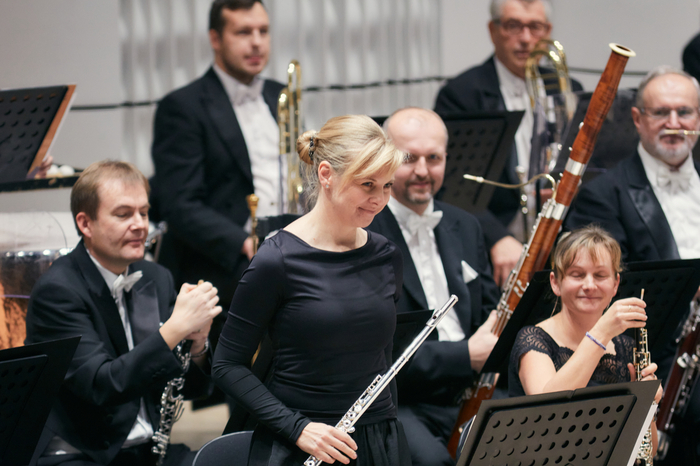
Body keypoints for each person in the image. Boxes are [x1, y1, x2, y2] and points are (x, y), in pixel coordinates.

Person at [212, 115, 411, 466]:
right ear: (326, 174)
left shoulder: (386, 255)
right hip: (300, 442)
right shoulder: (276, 260)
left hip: (377, 439)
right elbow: (227, 365)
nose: (379, 199)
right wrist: (298, 428)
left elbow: (383, 359)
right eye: (367, 184)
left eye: (387, 186)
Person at [25, 160, 222, 466]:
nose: (140, 224)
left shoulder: (155, 278)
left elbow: (192, 390)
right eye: (123, 214)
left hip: (147, 450)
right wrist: (174, 329)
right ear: (85, 224)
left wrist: (197, 343)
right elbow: (103, 385)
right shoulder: (58, 291)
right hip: (81, 454)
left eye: (143, 212)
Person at [564, 66, 700, 466]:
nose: (674, 123)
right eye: (660, 113)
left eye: (684, 112)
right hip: (660, 351)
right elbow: (601, 296)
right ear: (638, 119)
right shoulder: (603, 195)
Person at [367, 108, 500, 466]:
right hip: (400, 399)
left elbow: (490, 315)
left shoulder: (465, 225)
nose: (423, 171)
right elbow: (376, 354)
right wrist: (465, 355)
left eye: (434, 158)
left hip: (470, 387)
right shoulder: (364, 236)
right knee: (433, 462)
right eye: (409, 159)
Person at [434, 0, 583, 288]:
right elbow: (453, 182)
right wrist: (497, 237)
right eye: (514, 26)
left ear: (548, 31)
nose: (525, 38)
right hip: (497, 244)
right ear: (493, 30)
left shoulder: (567, 88)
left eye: (535, 27)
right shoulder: (462, 93)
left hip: (561, 238)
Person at [151, 0, 284, 307]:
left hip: (288, 249)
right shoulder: (183, 107)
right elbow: (179, 204)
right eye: (243, 32)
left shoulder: (280, 94)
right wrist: (244, 243)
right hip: (224, 264)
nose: (256, 42)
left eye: (263, 31)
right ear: (215, 38)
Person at [509, 225, 662, 453]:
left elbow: (648, 451)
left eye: (600, 275)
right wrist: (601, 332)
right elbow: (548, 413)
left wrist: (647, 404)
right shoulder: (532, 340)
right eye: (577, 275)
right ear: (555, 282)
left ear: (615, 284)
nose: (589, 285)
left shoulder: (626, 348)